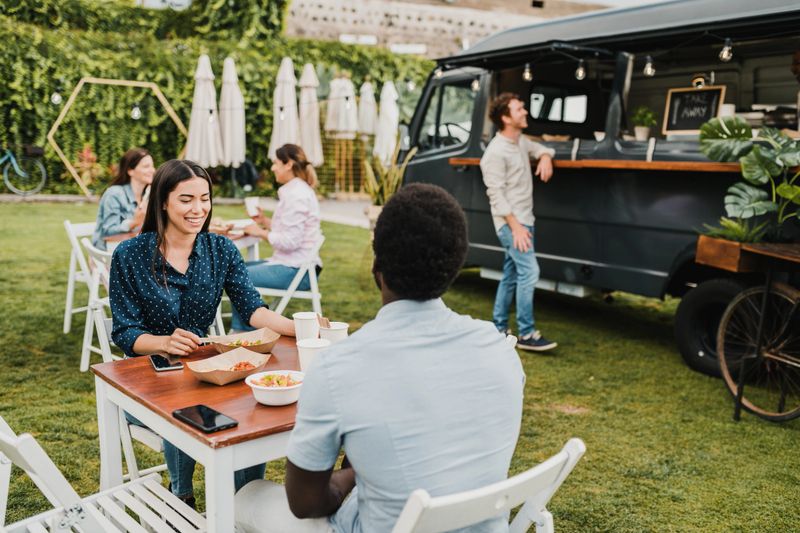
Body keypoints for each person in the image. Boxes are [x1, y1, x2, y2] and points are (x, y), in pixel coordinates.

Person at [235, 183, 525, 533]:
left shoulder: (339, 366)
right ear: (454, 265)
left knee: (247, 496)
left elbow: (306, 502)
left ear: (377, 268)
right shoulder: (499, 350)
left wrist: (351, 476)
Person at [109, 159, 295, 508]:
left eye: (205, 198)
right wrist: (164, 342)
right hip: (147, 382)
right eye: (186, 199)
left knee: (249, 410)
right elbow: (125, 332)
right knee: (187, 409)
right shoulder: (130, 254)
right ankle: (182, 497)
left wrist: (298, 326)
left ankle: (245, 504)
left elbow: (252, 309)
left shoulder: (220, 249)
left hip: (205, 373)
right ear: (163, 201)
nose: (199, 209)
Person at [480, 92, 558, 352]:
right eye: (519, 109)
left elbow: (543, 147)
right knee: (530, 271)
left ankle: (499, 328)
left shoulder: (521, 141)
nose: (525, 111)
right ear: (505, 118)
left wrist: (546, 156)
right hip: (512, 224)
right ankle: (526, 333)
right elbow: (496, 196)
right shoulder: (494, 153)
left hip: (525, 221)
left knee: (511, 274)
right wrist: (516, 228)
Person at [231, 143, 323, 331]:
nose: (273, 168)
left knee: (236, 276)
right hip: (293, 265)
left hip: (297, 271)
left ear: (288, 164)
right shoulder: (295, 191)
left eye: (275, 163)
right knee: (234, 270)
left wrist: (259, 232)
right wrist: (264, 221)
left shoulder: (296, 195)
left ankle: (244, 334)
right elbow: (289, 231)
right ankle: (245, 329)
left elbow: (290, 241)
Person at [91, 148, 155, 250]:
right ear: (130, 171)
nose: (152, 170)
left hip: (133, 250)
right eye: (146, 166)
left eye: (152, 166)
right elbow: (108, 231)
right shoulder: (114, 194)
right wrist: (133, 223)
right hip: (108, 253)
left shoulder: (147, 196)